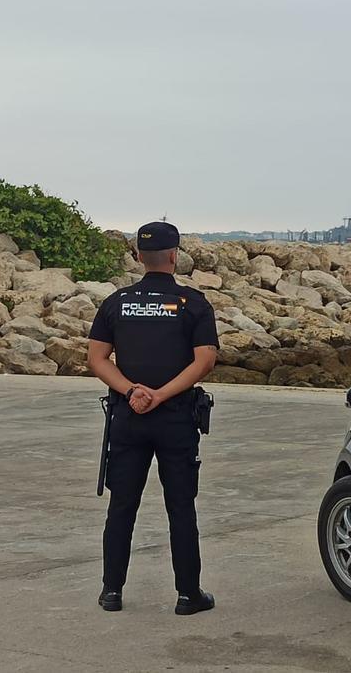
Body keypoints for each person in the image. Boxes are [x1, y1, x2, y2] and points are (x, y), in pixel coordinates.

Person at [87, 220, 219, 615]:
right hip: (176, 418)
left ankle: (111, 591)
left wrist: (131, 391)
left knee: (121, 506)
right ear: (175, 256)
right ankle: (187, 594)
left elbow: (96, 358)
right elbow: (206, 360)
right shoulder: (193, 303)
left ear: (139, 256)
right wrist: (161, 395)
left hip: (128, 417)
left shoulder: (117, 302)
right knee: (181, 506)